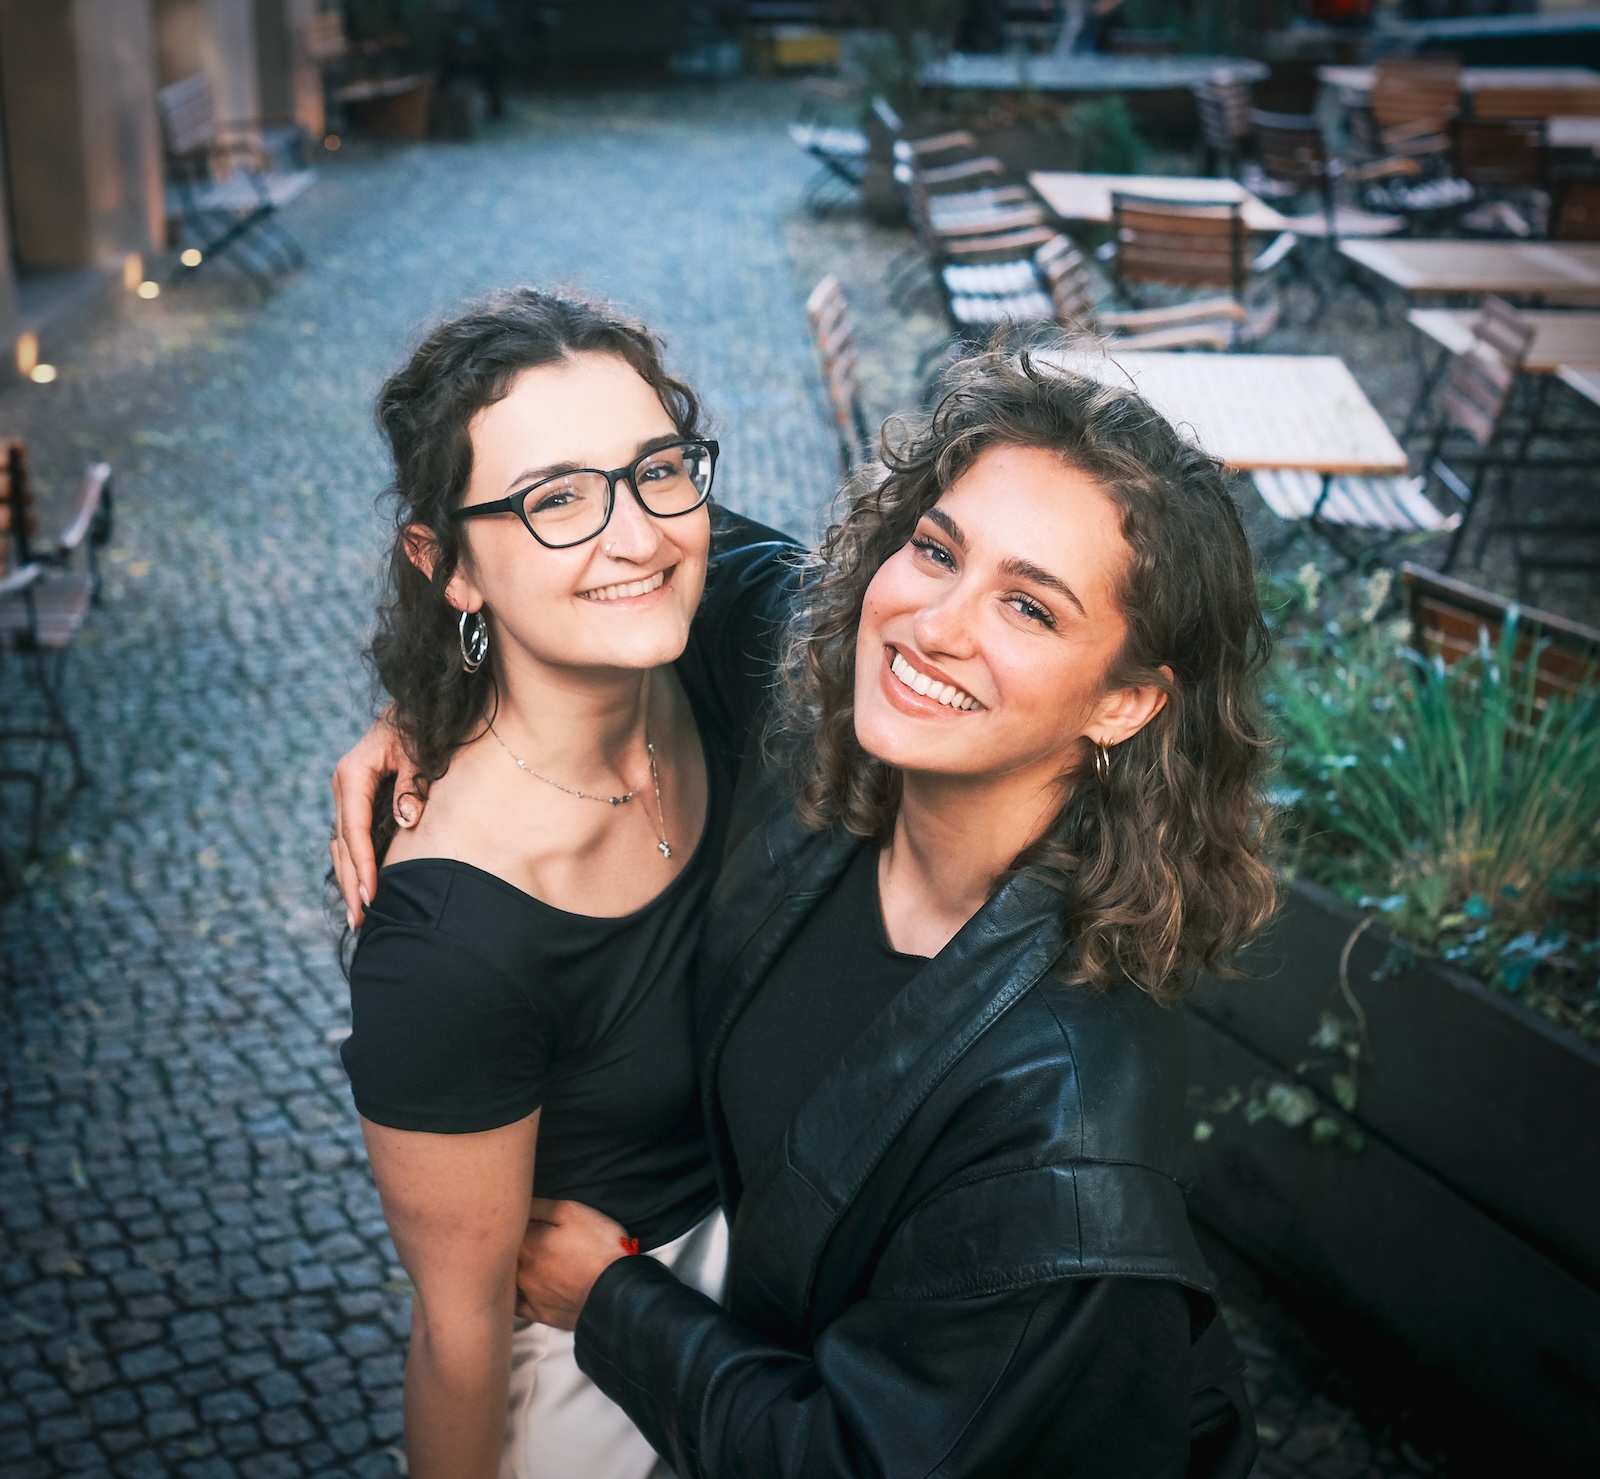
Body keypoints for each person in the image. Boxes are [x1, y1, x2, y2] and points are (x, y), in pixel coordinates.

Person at [334, 347, 1276, 1476]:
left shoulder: (1063, 1135)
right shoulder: (826, 703)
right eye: (937, 550)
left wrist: (613, 1304)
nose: (935, 625)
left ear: (1123, 701)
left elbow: (856, 1464)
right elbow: (624, 548)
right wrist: (446, 686)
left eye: (1028, 606)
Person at [331, 287, 799, 1479]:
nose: (637, 536)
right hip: (601, 1416)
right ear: (448, 567)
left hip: (778, 1352)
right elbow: (458, 1336)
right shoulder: (447, 946)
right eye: (554, 500)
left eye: (657, 471)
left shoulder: (711, 673)